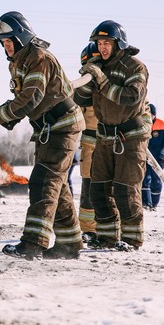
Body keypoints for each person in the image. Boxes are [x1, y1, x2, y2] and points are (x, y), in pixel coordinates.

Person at [0, 11, 84, 260]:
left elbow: (29, 98)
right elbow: (25, 102)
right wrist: (6, 117)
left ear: (21, 38)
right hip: (48, 129)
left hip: (62, 127)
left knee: (43, 183)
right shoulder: (22, 61)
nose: (6, 46)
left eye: (9, 41)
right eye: (3, 43)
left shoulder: (38, 58)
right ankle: (70, 243)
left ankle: (33, 243)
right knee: (58, 185)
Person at [73, 21, 150, 251]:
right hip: (104, 138)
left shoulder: (135, 67)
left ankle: (132, 240)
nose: (102, 47)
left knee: (125, 191)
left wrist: (102, 80)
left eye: (107, 42)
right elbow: (81, 100)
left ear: (119, 43)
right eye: (99, 43)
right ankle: (106, 237)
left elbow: (130, 97)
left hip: (130, 139)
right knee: (99, 190)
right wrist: (87, 77)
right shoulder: (100, 67)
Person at [77, 42, 100, 240]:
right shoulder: (84, 86)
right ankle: (88, 229)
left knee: (106, 188)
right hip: (90, 143)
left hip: (110, 141)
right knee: (89, 188)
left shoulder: (114, 82)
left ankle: (106, 229)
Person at [141, 103, 164, 211]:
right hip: (143, 156)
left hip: (158, 158)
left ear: (154, 115)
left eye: (150, 114)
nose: (149, 117)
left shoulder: (163, 125)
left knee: (156, 181)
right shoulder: (141, 123)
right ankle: (146, 203)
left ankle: (154, 204)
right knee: (145, 179)